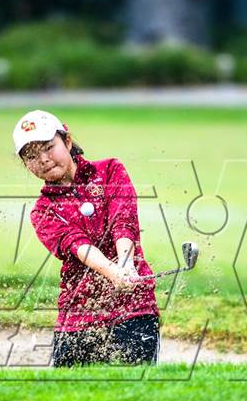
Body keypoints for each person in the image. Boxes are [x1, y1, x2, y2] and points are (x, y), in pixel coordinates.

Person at [13, 110, 160, 367]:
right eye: (32, 156)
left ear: (67, 141)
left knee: (134, 389)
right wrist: (113, 271)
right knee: (67, 396)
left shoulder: (110, 171)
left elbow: (123, 222)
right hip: (78, 314)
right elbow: (78, 245)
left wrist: (126, 265)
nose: (43, 160)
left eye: (49, 147)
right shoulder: (42, 211)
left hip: (133, 307)